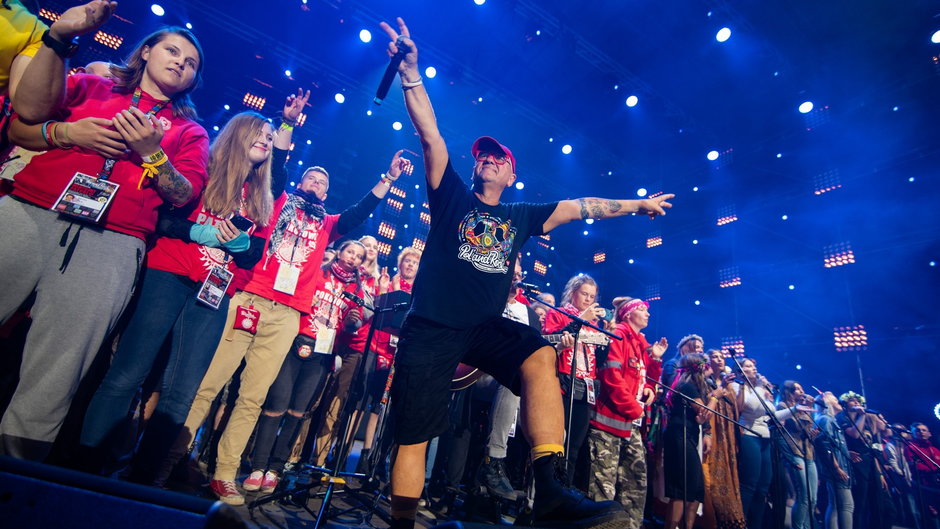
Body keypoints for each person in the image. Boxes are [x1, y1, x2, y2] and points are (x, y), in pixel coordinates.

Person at [378, 17, 674, 529]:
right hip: (431, 324)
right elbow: (429, 133)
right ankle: (401, 521)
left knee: (540, 354)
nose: (489, 160)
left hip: (484, 327)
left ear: (512, 174)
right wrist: (410, 72)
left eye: (499, 158)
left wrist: (636, 204)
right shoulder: (450, 194)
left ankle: (551, 489)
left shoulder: (519, 217)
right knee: (415, 435)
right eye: (484, 156)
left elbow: (584, 206)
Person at [0, 25, 208, 460]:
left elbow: (184, 193)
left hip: (111, 243)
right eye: (171, 50)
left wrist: (153, 152)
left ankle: (14, 482)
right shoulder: (91, 86)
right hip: (27, 211)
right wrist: (68, 135)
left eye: (190, 63)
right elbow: (19, 127)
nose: (180, 63)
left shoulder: (189, 132)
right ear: (146, 51)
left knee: (57, 370)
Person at [78, 90, 308, 482]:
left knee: (182, 391)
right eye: (261, 132)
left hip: (214, 293)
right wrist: (199, 231)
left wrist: (240, 245)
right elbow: (162, 220)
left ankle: (143, 480)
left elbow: (254, 254)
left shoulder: (260, 195)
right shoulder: (204, 165)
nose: (267, 140)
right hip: (168, 273)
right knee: (127, 374)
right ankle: (83, 469)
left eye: (272, 138)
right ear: (238, 132)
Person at [162, 150, 405, 504]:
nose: (317, 184)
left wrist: (389, 178)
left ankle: (225, 472)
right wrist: (287, 128)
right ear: (300, 182)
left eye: (323, 183)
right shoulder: (276, 203)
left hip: (288, 314)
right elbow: (275, 172)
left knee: (253, 397)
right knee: (210, 385)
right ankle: (169, 460)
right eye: (312, 178)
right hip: (250, 298)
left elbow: (359, 212)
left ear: (325, 193)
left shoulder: (328, 224)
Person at [245, 239, 367, 493]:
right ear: (340, 252)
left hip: (323, 354)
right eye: (350, 252)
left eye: (359, 256)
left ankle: (275, 470)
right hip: (295, 342)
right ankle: (258, 467)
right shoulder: (318, 272)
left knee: (297, 412)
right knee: (275, 407)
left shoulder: (356, 289)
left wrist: (353, 323)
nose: (353, 258)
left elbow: (351, 328)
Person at [586, 297, 666, 528]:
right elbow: (611, 377)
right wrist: (633, 408)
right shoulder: (618, 335)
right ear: (628, 314)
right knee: (604, 486)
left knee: (636, 484)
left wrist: (654, 366)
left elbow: (645, 378)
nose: (648, 314)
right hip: (609, 423)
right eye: (642, 309)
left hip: (630, 424)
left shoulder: (641, 342)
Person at [543, 273, 607, 488]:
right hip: (561, 382)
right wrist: (580, 321)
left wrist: (608, 337)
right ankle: (543, 494)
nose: (589, 299)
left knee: (575, 445)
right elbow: (549, 340)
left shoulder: (594, 323)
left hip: (585, 385)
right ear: (572, 293)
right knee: (554, 443)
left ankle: (565, 494)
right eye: (584, 294)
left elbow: (600, 359)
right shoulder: (558, 313)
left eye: (592, 296)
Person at [731, 358, 801, 529]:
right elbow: (752, 408)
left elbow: (772, 415)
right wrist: (761, 388)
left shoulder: (759, 390)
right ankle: (741, 524)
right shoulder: (738, 386)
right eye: (748, 366)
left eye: (754, 366)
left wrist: (795, 410)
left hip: (765, 438)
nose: (753, 368)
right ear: (740, 371)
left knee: (763, 488)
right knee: (750, 484)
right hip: (749, 435)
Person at [662, 353, 713, 529]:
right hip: (679, 437)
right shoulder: (687, 386)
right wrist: (715, 397)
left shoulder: (693, 388)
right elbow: (705, 412)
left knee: (696, 488)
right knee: (681, 489)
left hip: (688, 436)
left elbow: (700, 418)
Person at [702, 349, 747, 529]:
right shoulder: (706, 381)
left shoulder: (729, 384)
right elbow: (705, 403)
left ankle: (732, 519)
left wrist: (742, 386)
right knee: (713, 472)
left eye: (722, 357)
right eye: (715, 357)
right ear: (708, 360)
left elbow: (739, 408)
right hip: (713, 430)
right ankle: (714, 518)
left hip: (728, 433)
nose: (720, 360)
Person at [837, 391, 890, 529]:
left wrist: (879, 473)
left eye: (858, 401)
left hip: (870, 463)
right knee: (860, 501)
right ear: (844, 403)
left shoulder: (865, 420)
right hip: (856, 463)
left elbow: (873, 445)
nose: (856, 403)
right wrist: (861, 416)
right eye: (852, 401)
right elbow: (854, 434)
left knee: (876, 502)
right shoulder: (842, 417)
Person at [777, 380, 820, 529]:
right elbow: (795, 426)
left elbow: (807, 431)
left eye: (802, 389)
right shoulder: (783, 406)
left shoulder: (807, 409)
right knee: (804, 495)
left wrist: (813, 433)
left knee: (813, 498)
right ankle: (798, 527)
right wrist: (801, 409)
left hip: (809, 453)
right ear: (789, 392)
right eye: (798, 389)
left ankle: (807, 526)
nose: (802, 392)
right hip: (795, 451)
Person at [815, 392, 854, 529]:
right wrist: (836, 467)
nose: (839, 404)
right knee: (846, 505)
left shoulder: (830, 420)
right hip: (836, 468)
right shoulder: (826, 419)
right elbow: (824, 445)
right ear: (827, 403)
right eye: (836, 401)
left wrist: (846, 453)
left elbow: (832, 445)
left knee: (836, 505)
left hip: (838, 464)